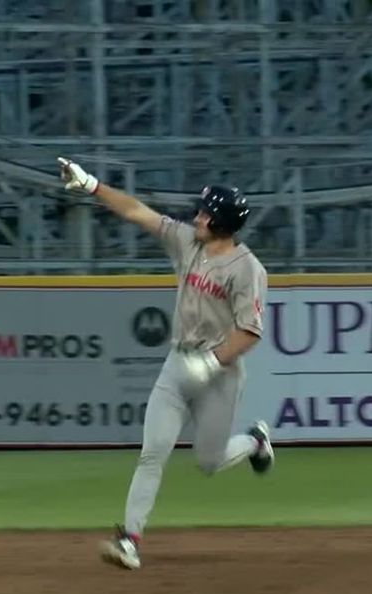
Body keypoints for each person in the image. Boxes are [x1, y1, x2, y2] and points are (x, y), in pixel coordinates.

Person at [57, 157, 275, 571]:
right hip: (178, 363)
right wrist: (91, 185)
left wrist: (211, 364)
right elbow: (137, 212)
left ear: (221, 223)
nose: (196, 216)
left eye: (205, 213)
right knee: (152, 452)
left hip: (220, 375)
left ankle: (255, 442)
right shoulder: (186, 242)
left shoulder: (248, 270)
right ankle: (130, 539)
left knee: (209, 462)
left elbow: (249, 332)